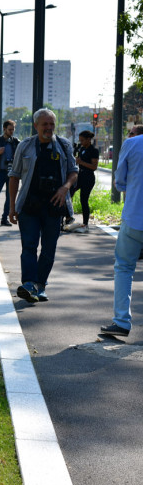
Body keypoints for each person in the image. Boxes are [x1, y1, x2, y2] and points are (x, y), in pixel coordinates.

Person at [7, 108, 78, 304]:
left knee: (48, 250)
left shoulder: (64, 146)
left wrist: (65, 188)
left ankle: (41, 285)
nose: (48, 127)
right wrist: (12, 208)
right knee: (29, 246)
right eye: (44, 124)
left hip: (55, 206)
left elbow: (74, 172)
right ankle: (29, 284)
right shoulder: (25, 146)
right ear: (36, 125)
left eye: (51, 124)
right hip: (29, 205)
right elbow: (14, 176)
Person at [105, 125, 143, 336]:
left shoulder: (132, 143)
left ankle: (121, 321)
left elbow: (120, 182)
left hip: (135, 216)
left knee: (124, 268)